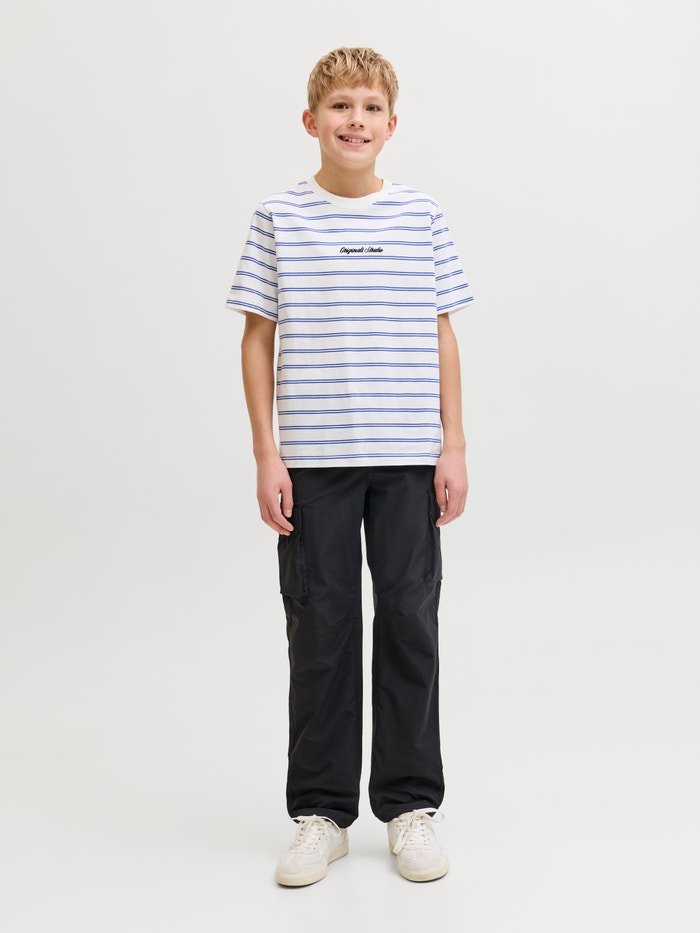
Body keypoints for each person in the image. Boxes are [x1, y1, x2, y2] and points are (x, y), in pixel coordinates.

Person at [227, 46, 475, 886]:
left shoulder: (420, 215)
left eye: (370, 108)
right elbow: (256, 338)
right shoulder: (279, 217)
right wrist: (266, 452)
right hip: (314, 462)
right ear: (312, 121)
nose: (355, 121)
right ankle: (321, 815)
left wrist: (453, 443)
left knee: (409, 622)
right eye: (340, 107)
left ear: (391, 124)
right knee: (322, 631)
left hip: (407, 458)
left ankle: (409, 806)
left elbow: (442, 330)